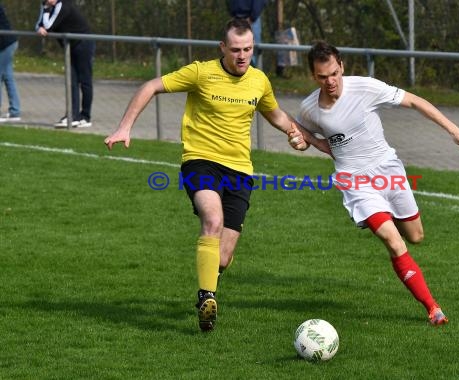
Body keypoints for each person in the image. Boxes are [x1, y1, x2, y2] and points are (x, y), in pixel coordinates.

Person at [104, 18, 308, 332]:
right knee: (211, 220)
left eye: (248, 49)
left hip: (240, 171)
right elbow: (151, 86)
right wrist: (125, 126)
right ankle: (206, 300)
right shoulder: (201, 72)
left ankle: (208, 283)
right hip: (200, 161)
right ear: (223, 48)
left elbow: (275, 113)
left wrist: (295, 133)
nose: (242, 56)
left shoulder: (259, 80)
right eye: (236, 49)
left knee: (223, 258)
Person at [296, 41, 459, 325]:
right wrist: (303, 142)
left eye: (334, 74)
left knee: (415, 236)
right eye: (322, 77)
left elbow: (415, 101)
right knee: (394, 241)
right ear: (313, 76)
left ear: (341, 66)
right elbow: (308, 137)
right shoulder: (308, 109)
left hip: (388, 171)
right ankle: (433, 308)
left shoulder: (365, 87)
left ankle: (386, 214)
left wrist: (454, 130)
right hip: (354, 181)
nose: (330, 82)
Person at [35, 0, 95, 128]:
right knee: (71, 80)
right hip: (70, 46)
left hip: (83, 43)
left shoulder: (62, 5)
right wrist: (39, 27)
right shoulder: (45, 5)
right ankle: (72, 115)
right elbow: (39, 24)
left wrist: (45, 12)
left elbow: (49, 26)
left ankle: (85, 116)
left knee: (85, 81)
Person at [228, 0, 267, 67]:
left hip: (252, 21)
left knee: (253, 50)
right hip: (236, 19)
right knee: (234, 48)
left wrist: (252, 18)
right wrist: (233, 14)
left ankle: (255, 75)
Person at [0, 5, 21, 123]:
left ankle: (15, 111)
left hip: (6, 45)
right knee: (8, 77)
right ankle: (15, 111)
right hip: (7, 44)